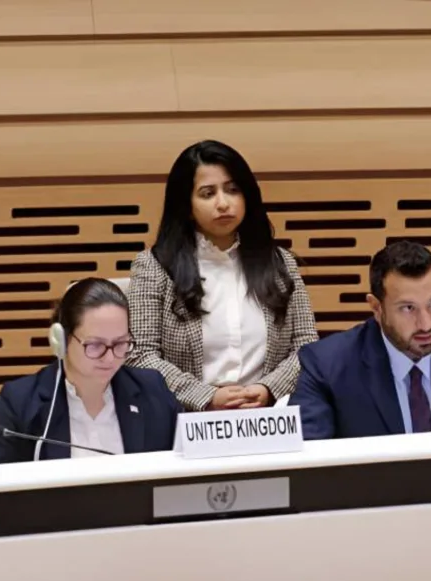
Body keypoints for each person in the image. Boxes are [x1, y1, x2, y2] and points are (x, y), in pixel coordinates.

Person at [127, 140, 319, 411]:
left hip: (269, 417)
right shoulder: (154, 266)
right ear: (186, 205)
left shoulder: (280, 263)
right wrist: (207, 397)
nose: (223, 203)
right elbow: (140, 355)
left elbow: (307, 346)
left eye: (232, 190)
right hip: (186, 419)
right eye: (207, 194)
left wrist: (268, 389)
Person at [291, 241, 431, 440]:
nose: (426, 324)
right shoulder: (327, 366)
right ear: (376, 308)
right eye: (408, 308)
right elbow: (305, 459)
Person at [0, 278, 181, 463]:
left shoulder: (153, 392)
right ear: (62, 340)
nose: (110, 358)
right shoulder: (20, 403)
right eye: (95, 345)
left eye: (120, 343)